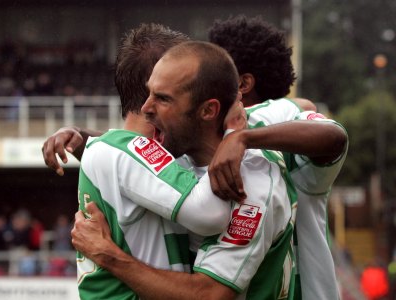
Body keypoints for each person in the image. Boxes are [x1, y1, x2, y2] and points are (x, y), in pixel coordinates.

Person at [71, 40, 347, 299]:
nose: (146, 108)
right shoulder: (182, 153)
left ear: (208, 110)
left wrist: (108, 255)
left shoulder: (252, 183)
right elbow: (125, 154)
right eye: (149, 93)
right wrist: (81, 138)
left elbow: (208, 294)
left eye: (163, 99)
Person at [207, 15, 348, 299]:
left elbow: (335, 138)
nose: (202, 77)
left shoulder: (286, 125)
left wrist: (244, 138)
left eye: (213, 70)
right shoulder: (213, 134)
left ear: (243, 83)